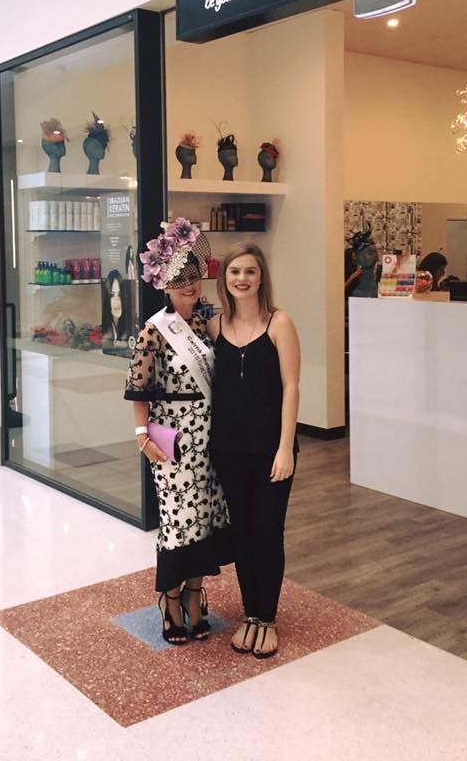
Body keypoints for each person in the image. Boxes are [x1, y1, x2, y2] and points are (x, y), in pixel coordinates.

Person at [124, 219, 230, 645]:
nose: (189, 285)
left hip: (211, 434)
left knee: (204, 519)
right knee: (178, 521)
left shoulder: (209, 322)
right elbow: (138, 388)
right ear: (162, 283)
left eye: (194, 276)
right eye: (178, 278)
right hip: (169, 435)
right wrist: (141, 436)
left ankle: (194, 594)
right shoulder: (154, 330)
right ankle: (169, 599)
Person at [209, 241, 301, 659]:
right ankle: (250, 614)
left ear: (261, 277)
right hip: (228, 449)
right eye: (234, 272)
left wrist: (285, 448)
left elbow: (291, 387)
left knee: (268, 532)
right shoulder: (214, 326)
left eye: (249, 271)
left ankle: (267, 618)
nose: (242, 279)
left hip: (270, 449)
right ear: (223, 280)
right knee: (242, 534)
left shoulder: (280, 323)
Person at [101, 269, 132, 346]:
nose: (116, 301)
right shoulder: (103, 330)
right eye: (112, 295)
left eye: (119, 294)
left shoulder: (131, 328)